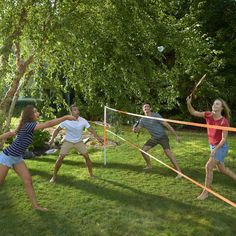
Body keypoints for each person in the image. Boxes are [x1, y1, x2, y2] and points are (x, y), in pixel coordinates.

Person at [0, 105, 76, 211]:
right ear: (29, 115)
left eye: (37, 111)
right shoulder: (28, 125)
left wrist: (3, 137)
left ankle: (36, 206)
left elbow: (13, 134)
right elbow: (48, 124)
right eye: (35, 112)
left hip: (17, 158)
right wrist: (65, 117)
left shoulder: (27, 125)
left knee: (28, 181)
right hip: (7, 157)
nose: (38, 113)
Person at [186, 96, 236, 200]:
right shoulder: (208, 115)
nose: (214, 105)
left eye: (217, 104)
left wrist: (215, 149)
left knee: (208, 166)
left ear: (222, 108)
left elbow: (223, 139)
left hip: (221, 147)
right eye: (214, 104)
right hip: (213, 146)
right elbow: (193, 112)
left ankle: (206, 192)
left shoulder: (224, 122)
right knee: (222, 169)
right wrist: (188, 103)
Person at [49, 104, 103, 183]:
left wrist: (98, 138)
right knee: (60, 157)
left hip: (79, 142)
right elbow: (57, 130)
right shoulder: (66, 120)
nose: (77, 111)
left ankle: (91, 174)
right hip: (68, 141)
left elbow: (91, 129)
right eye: (75, 110)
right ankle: (54, 176)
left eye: (78, 110)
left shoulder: (83, 120)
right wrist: (52, 139)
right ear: (71, 112)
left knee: (87, 157)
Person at [133, 103, 182, 178]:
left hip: (162, 137)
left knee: (168, 153)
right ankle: (149, 166)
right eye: (145, 107)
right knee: (143, 151)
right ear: (143, 109)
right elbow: (137, 130)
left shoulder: (156, 115)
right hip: (154, 138)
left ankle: (179, 173)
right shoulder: (142, 120)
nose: (146, 108)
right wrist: (134, 129)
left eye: (148, 106)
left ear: (150, 108)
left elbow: (167, 125)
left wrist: (176, 135)